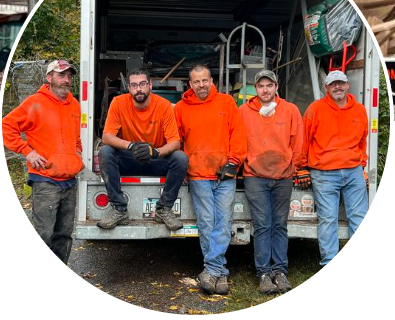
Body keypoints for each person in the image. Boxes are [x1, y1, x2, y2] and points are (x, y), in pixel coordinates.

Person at [174, 64, 247, 295]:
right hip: (198, 176)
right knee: (206, 225)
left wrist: (234, 162)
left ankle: (212, 271)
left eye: (205, 80)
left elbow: (238, 134)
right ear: (190, 84)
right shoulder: (181, 108)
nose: (201, 85)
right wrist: (183, 166)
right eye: (196, 82)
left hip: (224, 175)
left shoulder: (226, 103)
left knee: (223, 224)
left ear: (211, 80)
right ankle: (219, 272)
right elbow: (176, 140)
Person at [2, 59, 83, 264]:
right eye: (61, 75)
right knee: (43, 235)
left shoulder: (74, 104)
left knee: (64, 237)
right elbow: (6, 126)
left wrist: (78, 153)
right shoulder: (35, 103)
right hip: (45, 180)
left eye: (69, 76)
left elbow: (76, 137)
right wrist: (26, 151)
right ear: (49, 78)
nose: (66, 80)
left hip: (70, 181)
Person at [97, 68, 188, 231]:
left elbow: (175, 142)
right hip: (130, 159)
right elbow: (107, 137)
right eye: (134, 85)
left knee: (180, 158)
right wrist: (130, 146)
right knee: (105, 151)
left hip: (155, 160)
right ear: (129, 88)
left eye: (142, 84)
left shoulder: (163, 105)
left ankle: (164, 209)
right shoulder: (118, 102)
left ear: (150, 85)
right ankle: (119, 209)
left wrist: (156, 152)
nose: (138, 89)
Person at [239, 70, 303, 294]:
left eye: (269, 85)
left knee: (279, 225)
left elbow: (297, 141)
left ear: (276, 87)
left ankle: (280, 271)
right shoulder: (244, 112)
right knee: (263, 225)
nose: (265, 90)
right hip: (255, 177)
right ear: (255, 89)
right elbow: (237, 139)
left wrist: (294, 166)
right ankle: (264, 273)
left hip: (283, 177)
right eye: (260, 86)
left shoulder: (290, 110)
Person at [301, 70, 369, 266]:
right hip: (324, 173)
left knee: (359, 216)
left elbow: (363, 140)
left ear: (347, 85)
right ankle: (329, 262)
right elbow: (304, 140)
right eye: (333, 84)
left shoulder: (359, 110)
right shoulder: (316, 109)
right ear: (326, 88)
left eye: (341, 83)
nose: (337, 87)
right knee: (328, 218)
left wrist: (362, 164)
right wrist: (302, 167)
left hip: (353, 171)